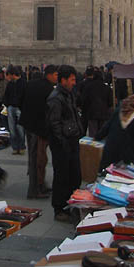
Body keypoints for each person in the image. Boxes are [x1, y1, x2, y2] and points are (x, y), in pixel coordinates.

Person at [46, 65, 83, 223]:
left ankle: (70, 203)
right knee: (62, 176)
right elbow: (54, 123)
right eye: (72, 80)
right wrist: (62, 141)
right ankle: (59, 208)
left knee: (74, 175)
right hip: (62, 143)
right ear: (64, 80)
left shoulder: (69, 94)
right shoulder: (56, 98)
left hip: (72, 139)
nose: (74, 83)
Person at [20, 64, 58, 198]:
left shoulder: (32, 83)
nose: (56, 78)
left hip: (28, 125)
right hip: (38, 129)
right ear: (49, 74)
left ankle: (40, 185)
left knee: (36, 157)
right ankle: (35, 190)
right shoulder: (49, 89)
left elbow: (21, 100)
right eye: (55, 75)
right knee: (37, 159)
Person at [80, 68, 113, 137]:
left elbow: (84, 100)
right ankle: (100, 147)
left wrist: (84, 110)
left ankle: (94, 147)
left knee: (93, 133)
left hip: (92, 114)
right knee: (102, 134)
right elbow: (110, 102)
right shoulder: (107, 88)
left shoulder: (88, 87)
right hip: (104, 113)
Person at [4, 65, 26, 154]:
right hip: (11, 107)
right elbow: (6, 95)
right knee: (12, 129)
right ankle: (15, 147)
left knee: (20, 128)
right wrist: (8, 104)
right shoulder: (10, 84)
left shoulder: (23, 83)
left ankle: (21, 146)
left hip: (19, 108)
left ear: (12, 74)